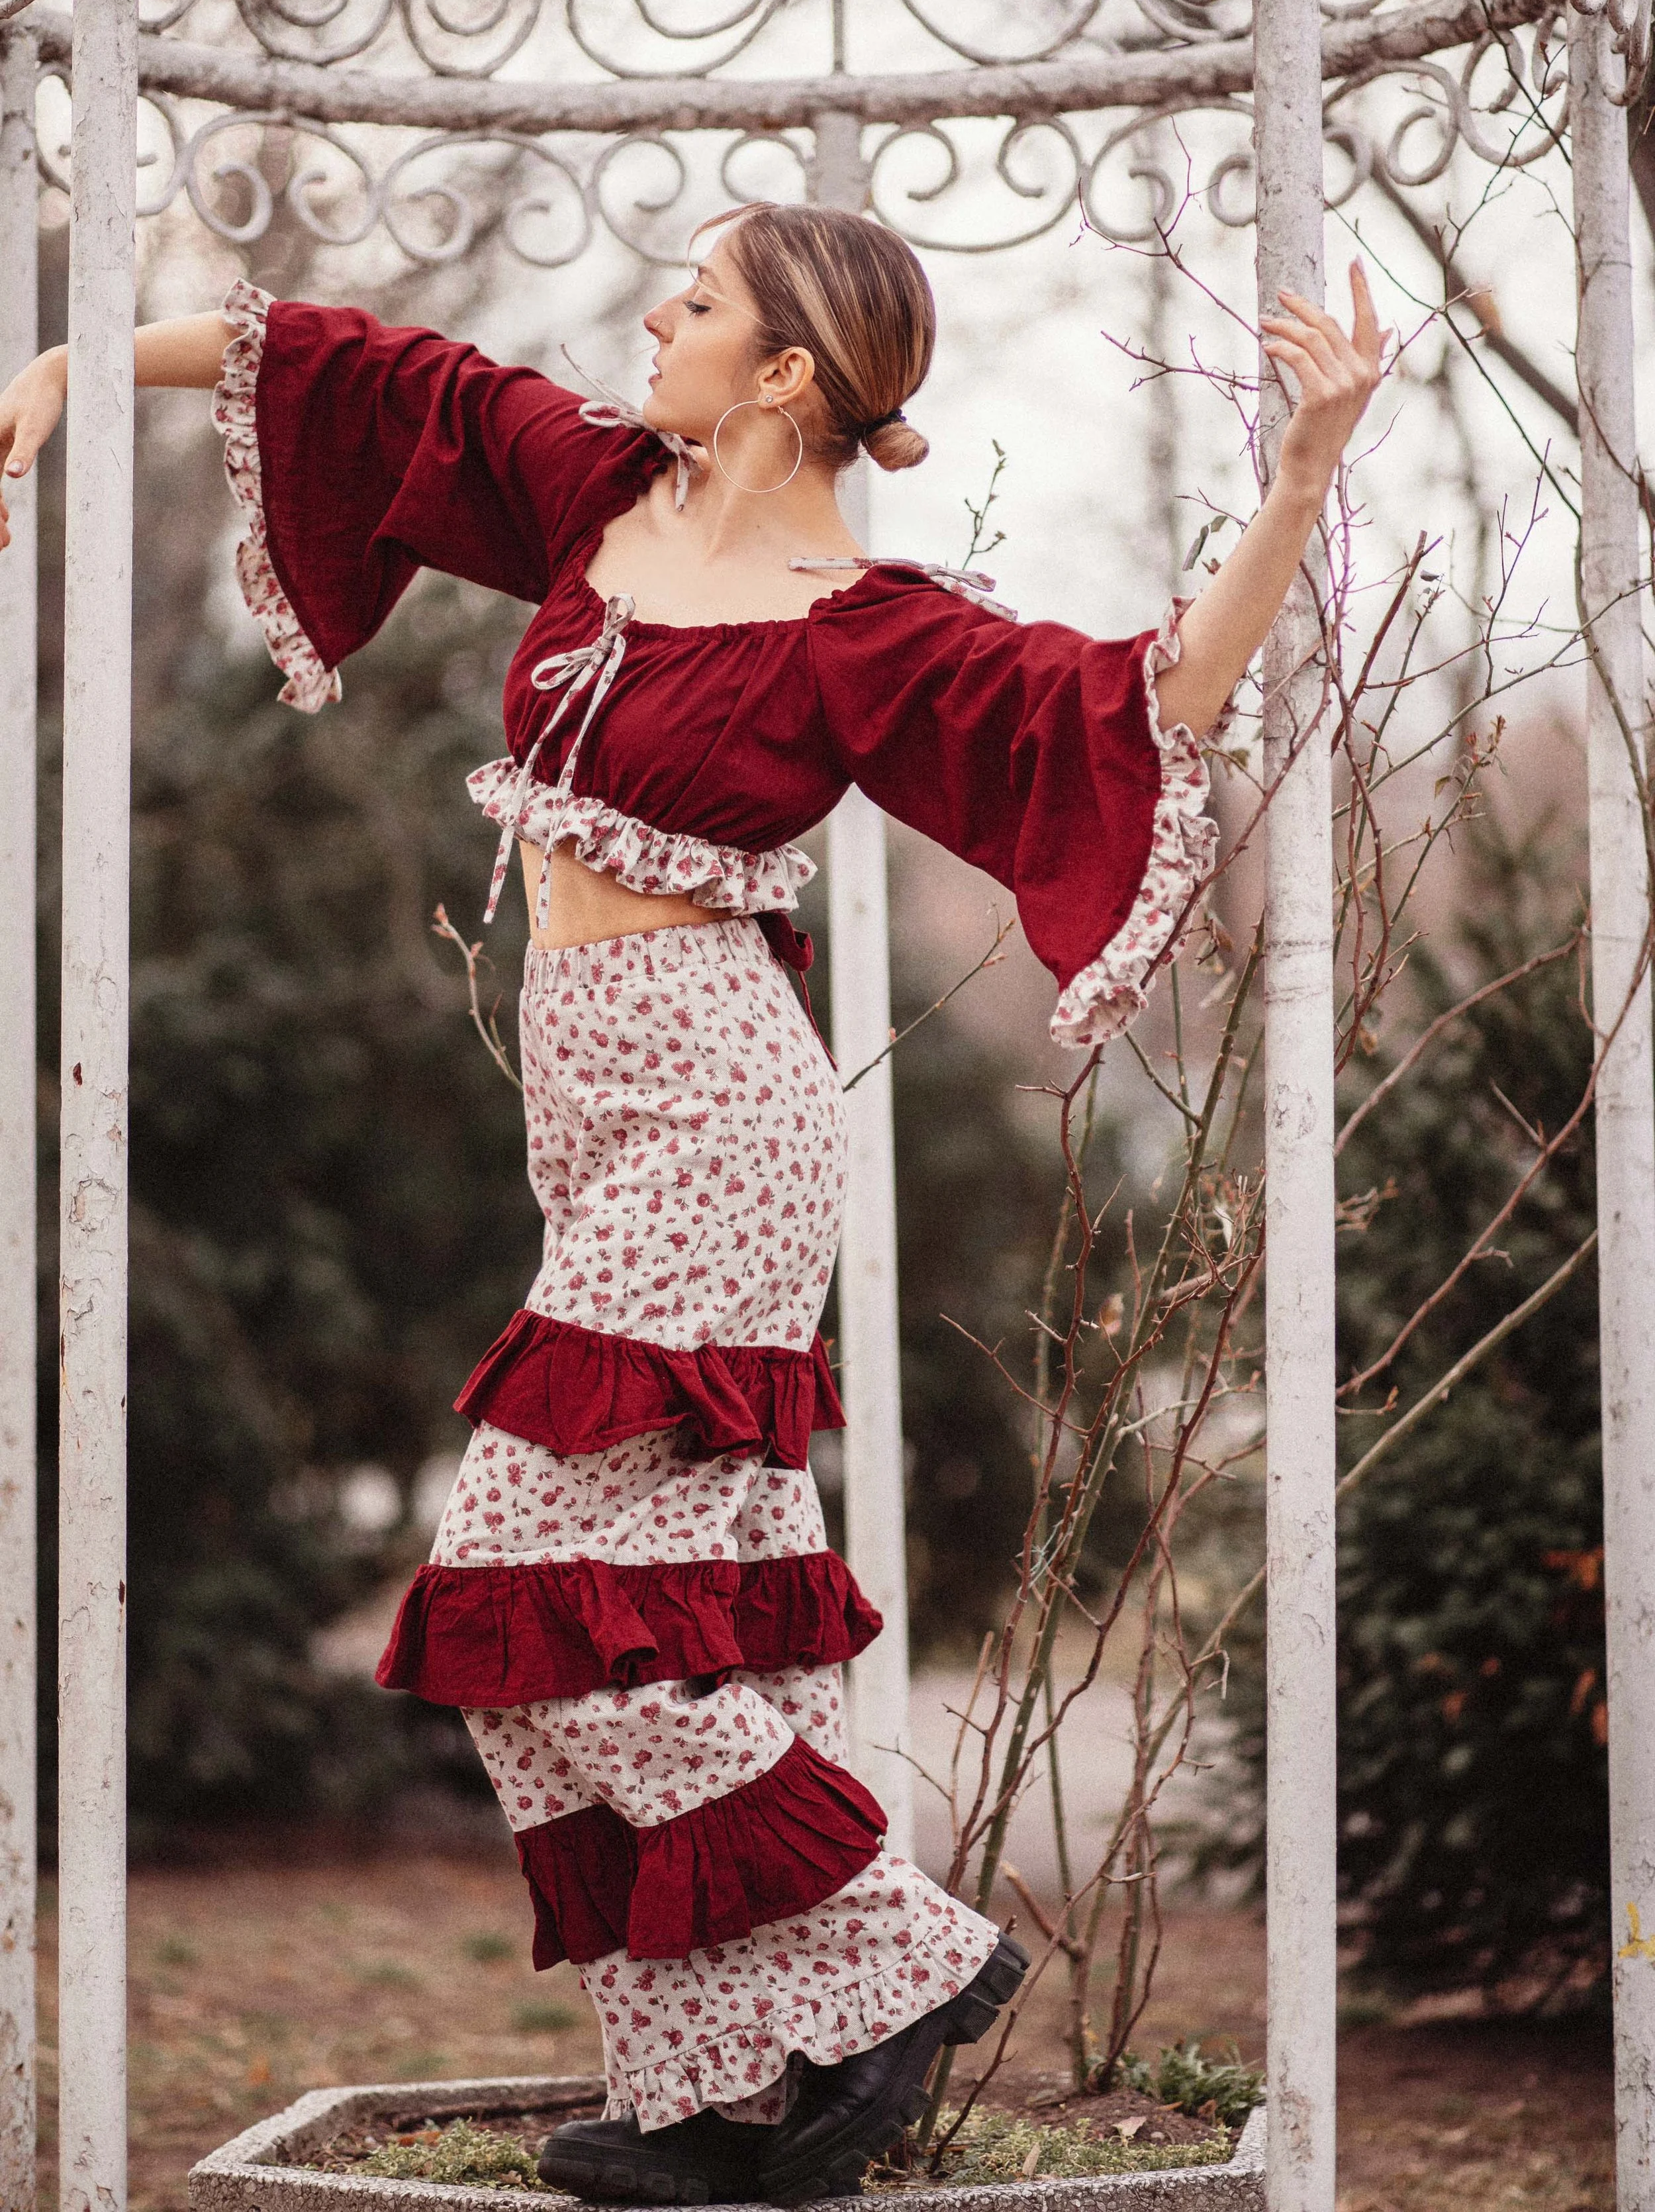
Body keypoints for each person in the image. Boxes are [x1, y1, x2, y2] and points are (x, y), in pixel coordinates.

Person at [0, 206, 1382, 2206]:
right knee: (662, 1623)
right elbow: (369, 374)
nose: (659, 310)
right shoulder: (591, 493)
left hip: (724, 1116)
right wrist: (80, 362)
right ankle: (733, 2088)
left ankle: (894, 1965)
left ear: (789, 377)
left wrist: (1306, 478)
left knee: (519, 1582)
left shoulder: (859, 628)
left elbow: (1136, 706)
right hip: (589, 1107)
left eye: (702, 298)